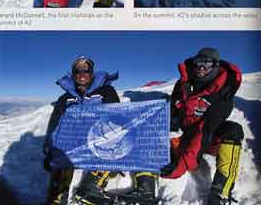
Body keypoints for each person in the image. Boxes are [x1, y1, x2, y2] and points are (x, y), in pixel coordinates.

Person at [123, 48, 244, 205]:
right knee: (148, 126)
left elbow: (205, 130)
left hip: (207, 139)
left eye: (207, 63)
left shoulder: (224, 94)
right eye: (199, 62)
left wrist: (182, 165)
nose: (201, 67)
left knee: (232, 130)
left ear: (215, 66)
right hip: (183, 136)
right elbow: (173, 108)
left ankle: (221, 192)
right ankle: (145, 189)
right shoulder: (183, 85)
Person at [43, 56, 120, 204]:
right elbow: (55, 126)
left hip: (97, 141)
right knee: (61, 156)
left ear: (92, 72)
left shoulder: (106, 91)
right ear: (73, 74)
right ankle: (58, 196)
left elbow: (116, 117)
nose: (82, 73)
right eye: (78, 70)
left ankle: (90, 190)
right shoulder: (65, 99)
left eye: (86, 69)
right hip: (73, 143)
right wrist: (49, 150)